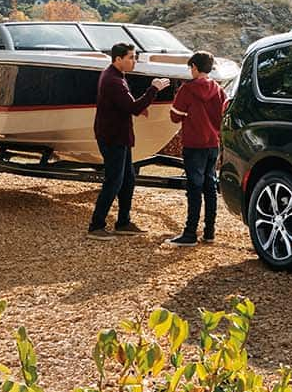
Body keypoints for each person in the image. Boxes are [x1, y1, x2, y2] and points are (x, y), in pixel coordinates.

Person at [88, 42, 169, 240]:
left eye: (135, 57)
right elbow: (131, 107)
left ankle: (123, 222)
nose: (134, 61)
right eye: (131, 57)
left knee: (128, 179)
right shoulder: (113, 80)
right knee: (114, 181)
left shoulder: (116, 76)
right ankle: (96, 226)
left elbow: (126, 105)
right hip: (112, 137)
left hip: (119, 136)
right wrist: (153, 89)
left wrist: (140, 107)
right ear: (118, 59)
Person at [166, 51, 226, 246]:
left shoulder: (187, 89)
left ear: (194, 67)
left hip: (194, 144)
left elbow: (175, 116)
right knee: (210, 186)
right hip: (212, 144)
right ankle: (209, 232)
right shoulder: (218, 89)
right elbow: (224, 113)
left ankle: (190, 233)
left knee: (194, 188)